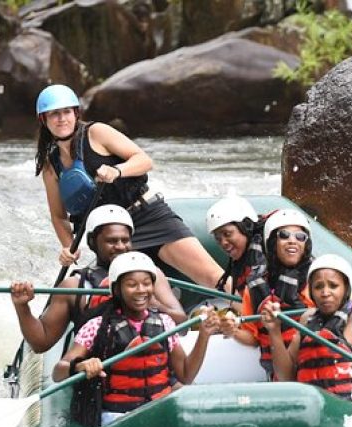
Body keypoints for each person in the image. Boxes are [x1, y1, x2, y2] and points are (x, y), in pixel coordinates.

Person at [34, 84, 224, 288]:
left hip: (146, 217)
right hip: (112, 238)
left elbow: (144, 160)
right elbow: (59, 216)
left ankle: (249, 310)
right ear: (44, 119)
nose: (62, 118)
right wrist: (68, 246)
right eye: (54, 114)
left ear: (76, 113)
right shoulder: (50, 164)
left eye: (66, 112)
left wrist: (117, 171)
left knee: (212, 277)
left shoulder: (97, 132)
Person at [53, 252, 220, 427]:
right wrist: (81, 365)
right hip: (117, 416)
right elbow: (58, 372)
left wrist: (204, 335)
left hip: (160, 409)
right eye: (132, 285)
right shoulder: (97, 327)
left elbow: (185, 375)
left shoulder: (165, 323)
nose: (141, 290)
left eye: (147, 284)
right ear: (117, 289)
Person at [11, 205, 185, 353]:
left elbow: (182, 323)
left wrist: (153, 303)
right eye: (111, 241)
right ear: (93, 242)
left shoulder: (150, 275)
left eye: (125, 240)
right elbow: (41, 343)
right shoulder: (75, 287)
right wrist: (22, 306)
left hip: (153, 372)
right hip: (102, 376)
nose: (120, 247)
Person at [262, 254, 352, 399]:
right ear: (311, 292)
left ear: (346, 288)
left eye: (333, 286)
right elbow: (285, 377)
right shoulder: (307, 320)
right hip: (319, 412)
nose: (325, 293)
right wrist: (274, 331)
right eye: (318, 287)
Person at [220, 209, 316, 379]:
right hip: (279, 375)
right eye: (284, 235)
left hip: (313, 368)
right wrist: (232, 330)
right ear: (271, 243)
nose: (292, 241)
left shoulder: (317, 281)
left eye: (300, 237)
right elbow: (253, 338)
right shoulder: (256, 287)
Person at [205, 194, 268, 297]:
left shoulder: (264, 253)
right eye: (218, 238)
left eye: (227, 234)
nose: (223, 243)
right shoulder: (243, 260)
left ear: (246, 226)